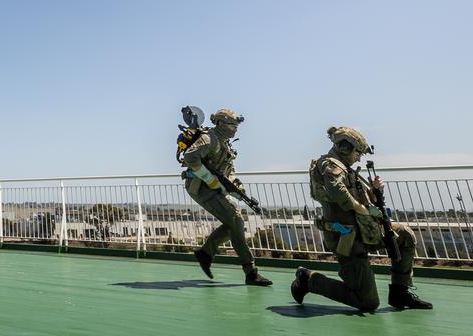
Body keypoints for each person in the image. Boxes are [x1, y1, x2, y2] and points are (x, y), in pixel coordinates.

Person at [291, 126, 432, 312]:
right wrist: (363, 210)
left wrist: (374, 192)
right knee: (368, 303)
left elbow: (365, 200)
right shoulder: (330, 165)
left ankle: (400, 290)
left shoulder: (347, 170)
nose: (359, 157)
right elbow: (337, 191)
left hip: (366, 230)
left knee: (405, 235)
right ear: (345, 148)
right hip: (348, 239)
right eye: (358, 152)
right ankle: (308, 280)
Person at [182, 108, 272, 286]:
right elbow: (190, 157)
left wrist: (238, 189)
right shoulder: (209, 139)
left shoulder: (225, 143)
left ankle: (206, 253)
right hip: (200, 187)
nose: (235, 129)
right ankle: (250, 271)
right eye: (232, 125)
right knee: (236, 220)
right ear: (221, 124)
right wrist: (210, 180)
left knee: (234, 223)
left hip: (211, 187)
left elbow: (227, 173)